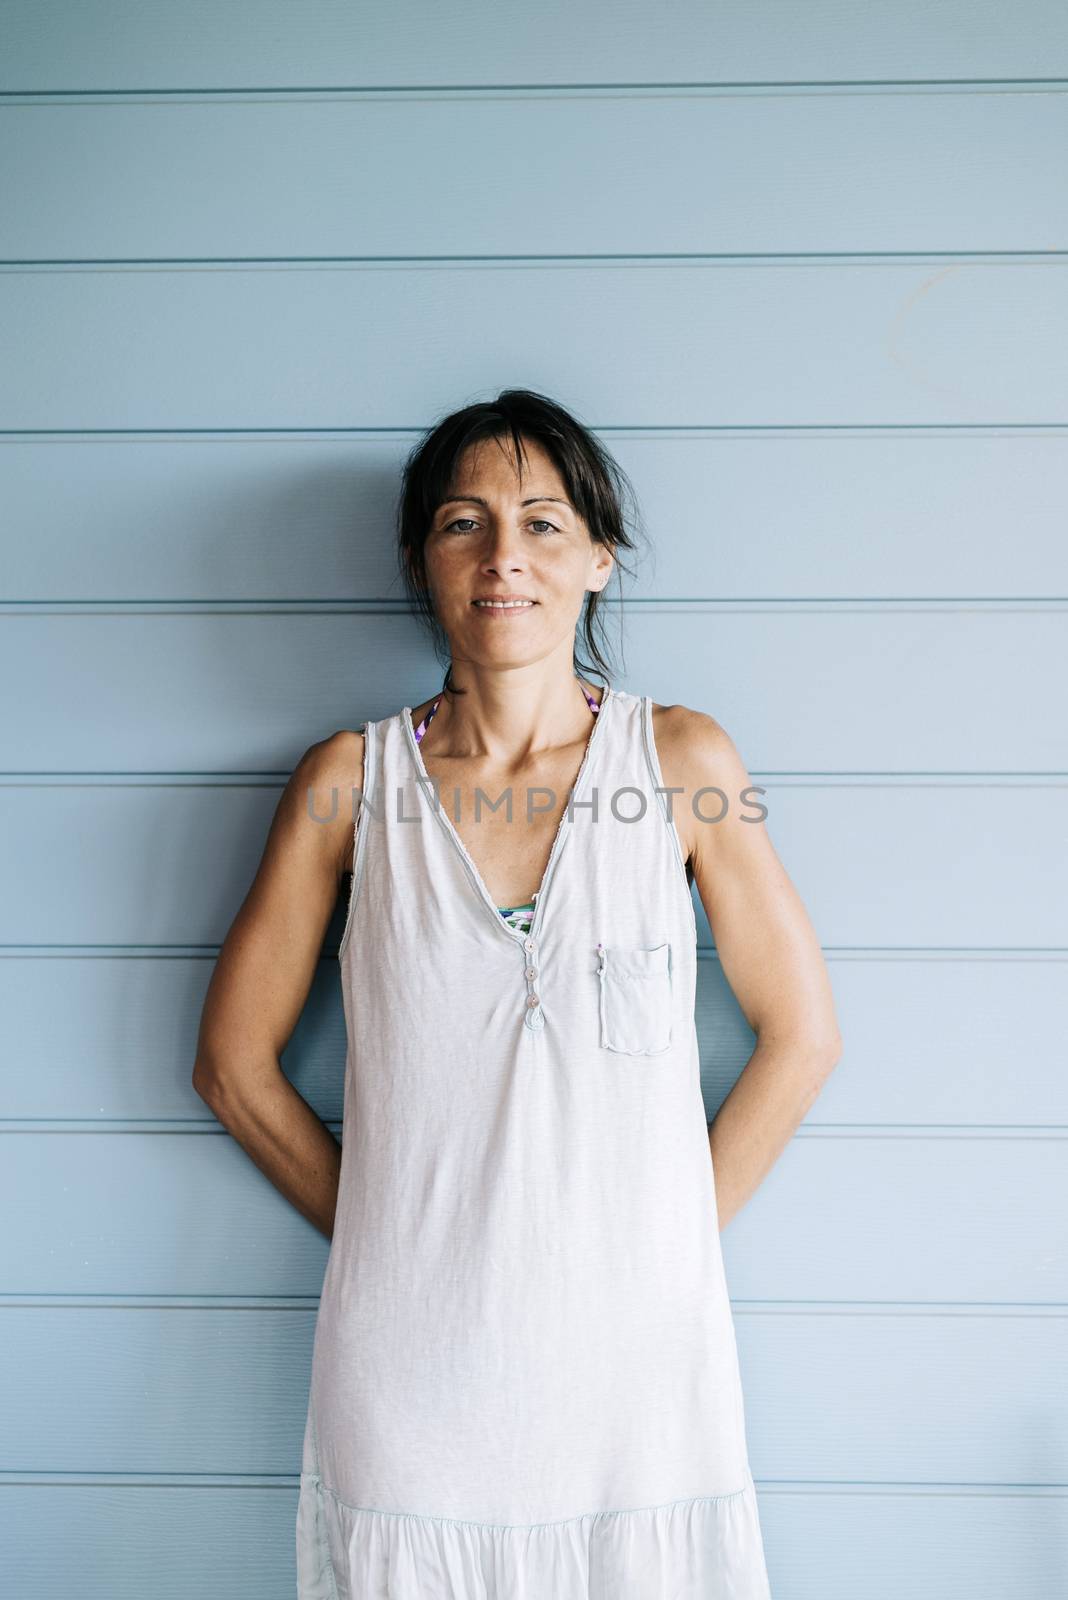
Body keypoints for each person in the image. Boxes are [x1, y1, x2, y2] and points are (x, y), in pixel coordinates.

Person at [193, 388, 842, 1597]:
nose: (505, 558)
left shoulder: (687, 762)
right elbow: (232, 1066)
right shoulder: (348, 781)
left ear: (598, 558)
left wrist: (656, 1247)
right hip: (414, 1377)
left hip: (640, 1373)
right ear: (420, 559)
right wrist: (401, 1236)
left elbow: (802, 1037)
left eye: (544, 524)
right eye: (463, 523)